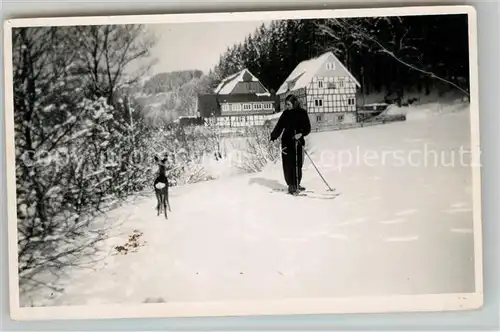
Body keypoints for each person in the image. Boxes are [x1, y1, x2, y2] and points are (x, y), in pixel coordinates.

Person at [270, 94, 311, 195]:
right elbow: (279, 126)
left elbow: (307, 128)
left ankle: (297, 184)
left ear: (294, 103)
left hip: (298, 142)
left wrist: (300, 134)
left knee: (298, 164)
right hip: (287, 142)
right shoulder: (286, 114)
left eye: (288, 104)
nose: (286, 106)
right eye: (286, 104)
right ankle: (291, 185)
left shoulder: (302, 113)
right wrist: (273, 136)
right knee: (288, 164)